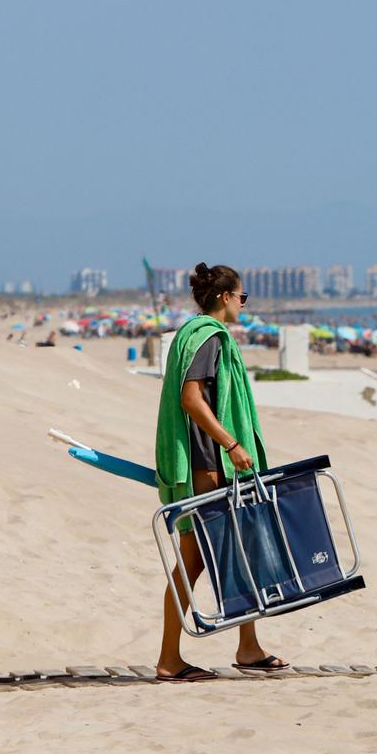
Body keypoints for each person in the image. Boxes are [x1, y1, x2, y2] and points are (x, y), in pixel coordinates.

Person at [152, 263, 288, 682]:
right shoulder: (210, 337)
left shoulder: (189, 334)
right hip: (207, 463)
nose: (243, 305)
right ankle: (169, 659)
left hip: (206, 460)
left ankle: (248, 646)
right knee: (193, 561)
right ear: (225, 298)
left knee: (237, 550)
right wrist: (232, 443)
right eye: (242, 297)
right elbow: (191, 399)